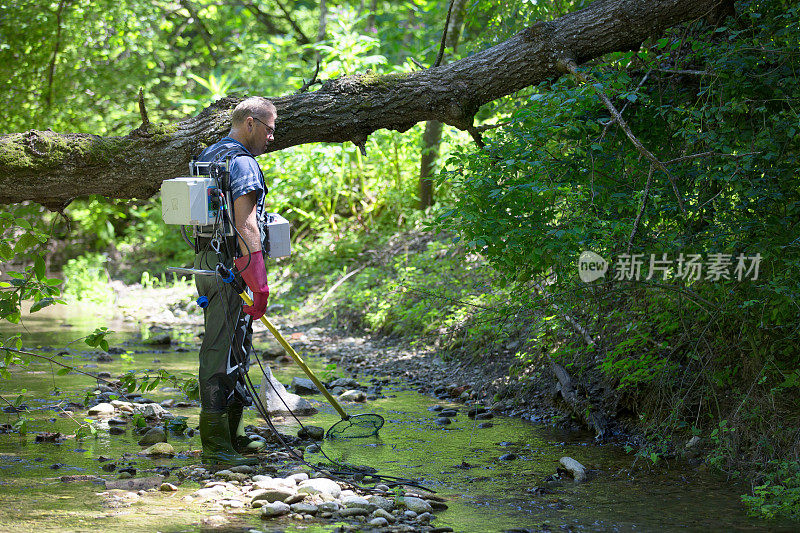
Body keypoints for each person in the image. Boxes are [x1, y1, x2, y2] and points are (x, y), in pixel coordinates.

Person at [193, 97, 276, 466]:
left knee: (235, 346)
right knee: (222, 348)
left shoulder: (210, 154)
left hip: (207, 260)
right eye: (270, 128)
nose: (273, 136)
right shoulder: (242, 162)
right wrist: (258, 280)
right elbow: (245, 224)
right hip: (232, 264)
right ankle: (216, 447)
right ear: (251, 123)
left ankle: (232, 436)